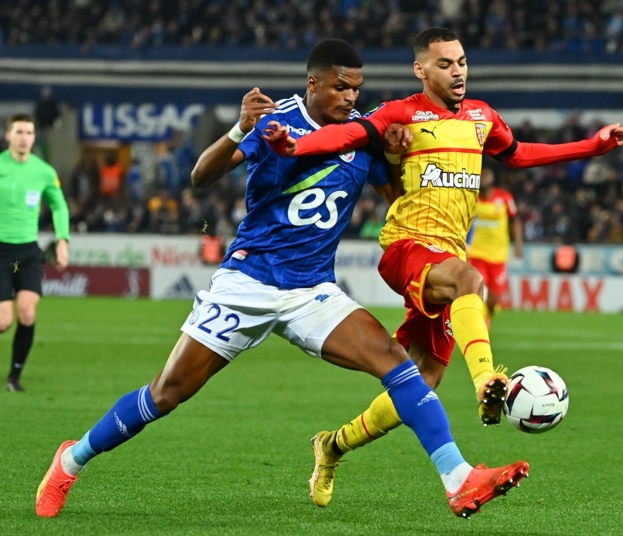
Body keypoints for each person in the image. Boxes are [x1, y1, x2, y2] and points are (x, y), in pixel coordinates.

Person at [35, 40, 528, 521]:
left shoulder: (362, 134)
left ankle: (458, 478)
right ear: (313, 84)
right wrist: (237, 130)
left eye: (357, 89)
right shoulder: (277, 120)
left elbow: (400, 198)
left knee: (399, 367)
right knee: (166, 393)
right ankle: (71, 460)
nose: (351, 98)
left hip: (311, 291)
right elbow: (201, 177)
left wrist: (401, 152)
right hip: (247, 282)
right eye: (341, 88)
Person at [262, 26, 623, 507]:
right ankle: (487, 383)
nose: (457, 71)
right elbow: (348, 133)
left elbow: (520, 154)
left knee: (421, 382)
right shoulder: (401, 113)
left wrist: (593, 146)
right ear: (421, 69)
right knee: (470, 281)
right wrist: (294, 147)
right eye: (444, 64)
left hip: (447, 257)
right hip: (406, 248)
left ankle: (332, 446)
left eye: (461, 62)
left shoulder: (482, 116)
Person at [1, 113, 69, 392]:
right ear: (8, 135)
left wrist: (62, 240)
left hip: (28, 252)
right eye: (18, 132)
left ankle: (14, 378)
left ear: (34, 137)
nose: (24, 138)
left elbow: (59, 205)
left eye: (29, 133)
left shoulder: (43, 171)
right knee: (3, 321)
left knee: (27, 314)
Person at [466, 165, 522, 327]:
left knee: (493, 301)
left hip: (498, 255)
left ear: (491, 180)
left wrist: (518, 245)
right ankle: (481, 324)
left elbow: (514, 221)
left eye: (486, 176)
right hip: (477, 253)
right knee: (477, 290)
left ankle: (487, 314)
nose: (483, 179)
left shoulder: (504, 198)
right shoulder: (472, 198)